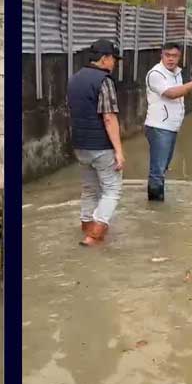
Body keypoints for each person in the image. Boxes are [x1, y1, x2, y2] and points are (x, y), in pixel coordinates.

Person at [66, 39, 125, 247]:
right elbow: (109, 117)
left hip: (80, 145)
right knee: (112, 189)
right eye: (113, 59)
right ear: (104, 59)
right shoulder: (104, 80)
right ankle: (95, 235)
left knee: (90, 188)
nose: (114, 64)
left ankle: (86, 225)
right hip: (100, 145)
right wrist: (119, 151)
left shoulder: (74, 79)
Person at [144, 42, 192, 201]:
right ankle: (156, 207)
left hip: (171, 127)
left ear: (180, 57)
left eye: (174, 56)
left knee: (163, 166)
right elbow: (171, 93)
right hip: (159, 127)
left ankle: (158, 200)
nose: (171, 59)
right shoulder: (156, 74)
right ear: (162, 56)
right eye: (167, 55)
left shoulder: (176, 73)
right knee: (158, 170)